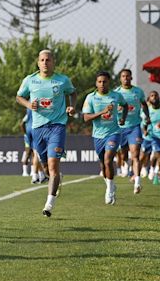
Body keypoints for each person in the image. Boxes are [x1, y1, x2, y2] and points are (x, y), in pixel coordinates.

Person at [16, 49, 76, 217]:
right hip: (38, 129)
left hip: (57, 126)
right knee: (45, 167)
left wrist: (72, 106)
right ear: (38, 62)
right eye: (42, 60)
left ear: (53, 62)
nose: (45, 63)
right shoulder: (30, 80)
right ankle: (56, 178)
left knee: (53, 166)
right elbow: (19, 97)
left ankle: (49, 204)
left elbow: (73, 93)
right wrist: (29, 105)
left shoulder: (62, 80)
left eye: (48, 60)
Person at [82, 71, 127, 205]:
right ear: (96, 83)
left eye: (105, 81)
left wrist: (123, 118)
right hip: (97, 135)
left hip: (113, 133)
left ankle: (109, 190)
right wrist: (102, 112)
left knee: (108, 161)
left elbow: (124, 105)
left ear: (109, 82)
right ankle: (111, 184)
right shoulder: (91, 97)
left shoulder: (116, 95)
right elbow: (86, 118)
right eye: (99, 81)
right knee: (103, 164)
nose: (102, 84)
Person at [115, 69, 150, 193]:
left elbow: (144, 104)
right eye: (123, 76)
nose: (126, 78)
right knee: (124, 154)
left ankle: (137, 182)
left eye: (128, 76)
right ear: (120, 79)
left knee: (135, 154)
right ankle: (125, 164)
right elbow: (111, 108)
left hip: (134, 127)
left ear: (131, 78)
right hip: (120, 128)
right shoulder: (116, 93)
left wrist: (148, 116)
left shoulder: (138, 91)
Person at [146, 90, 160, 184]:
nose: (154, 97)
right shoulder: (148, 110)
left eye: (155, 95)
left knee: (158, 155)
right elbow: (144, 122)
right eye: (152, 95)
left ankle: (156, 171)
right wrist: (145, 130)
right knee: (157, 154)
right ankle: (152, 169)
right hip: (153, 135)